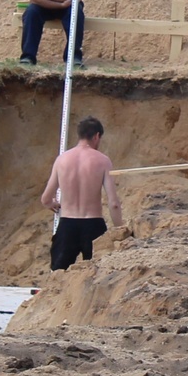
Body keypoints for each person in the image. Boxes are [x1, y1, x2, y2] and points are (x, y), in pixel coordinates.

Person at [41, 116, 122, 270]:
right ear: (97, 136)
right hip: (93, 225)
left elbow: (45, 199)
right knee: (99, 273)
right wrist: (120, 229)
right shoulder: (103, 161)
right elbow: (113, 203)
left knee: (59, 275)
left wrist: (54, 204)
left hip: (68, 224)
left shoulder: (62, 159)